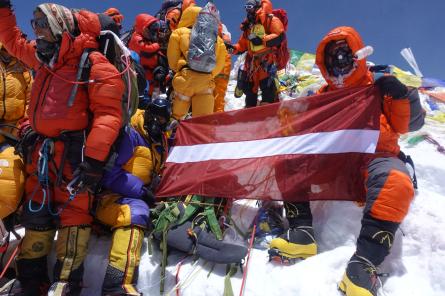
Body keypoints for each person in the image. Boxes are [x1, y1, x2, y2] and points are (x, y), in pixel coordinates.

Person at [269, 26, 425, 296]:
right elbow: (303, 132)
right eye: (333, 56)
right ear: (324, 61)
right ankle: (302, 232)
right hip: (337, 163)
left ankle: (364, 265)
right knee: (288, 160)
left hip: (376, 159)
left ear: (357, 55)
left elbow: (403, 126)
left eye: (344, 52)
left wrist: (399, 96)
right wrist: (289, 119)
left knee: (396, 184)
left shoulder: (378, 85)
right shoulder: (323, 95)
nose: (339, 60)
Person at [0, 1, 124, 294]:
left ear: (60, 26)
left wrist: (93, 161)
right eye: (35, 24)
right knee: (37, 215)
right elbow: (13, 42)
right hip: (40, 154)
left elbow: (108, 114)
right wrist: (4, 9)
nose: (37, 31)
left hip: (74, 154)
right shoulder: (46, 57)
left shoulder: (92, 61)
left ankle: (66, 283)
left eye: (43, 24)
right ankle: (31, 282)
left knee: (74, 216)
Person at [95, 98, 171, 296]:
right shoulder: (129, 135)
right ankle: (117, 286)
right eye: (153, 116)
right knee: (133, 213)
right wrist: (142, 191)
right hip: (109, 197)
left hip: (138, 196)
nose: (156, 122)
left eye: (162, 119)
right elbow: (109, 174)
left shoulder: (158, 142)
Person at [167, 5, 227, 119]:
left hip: (185, 80)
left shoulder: (179, 32)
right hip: (205, 82)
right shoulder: (216, 39)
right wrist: (208, 73)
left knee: (176, 118)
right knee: (202, 121)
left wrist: (178, 69)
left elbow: (172, 59)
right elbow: (220, 63)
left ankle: (173, 134)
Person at [228, 0, 284, 108]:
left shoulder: (270, 19)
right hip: (252, 64)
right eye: (246, 7)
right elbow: (242, 45)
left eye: (250, 6)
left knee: (268, 88)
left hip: (266, 60)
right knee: (249, 90)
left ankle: (267, 116)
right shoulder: (248, 27)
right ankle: (250, 115)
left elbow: (279, 35)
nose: (248, 10)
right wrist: (232, 48)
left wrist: (262, 40)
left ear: (258, 6)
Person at [0, 43, 32, 221]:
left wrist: (26, 123)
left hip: (12, 134)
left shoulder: (23, 67)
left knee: (9, 180)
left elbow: (30, 98)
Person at [129, 14, 171, 98]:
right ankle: (152, 99)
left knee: (159, 81)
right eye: (152, 28)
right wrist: (158, 44)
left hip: (153, 68)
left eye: (155, 28)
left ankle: (156, 98)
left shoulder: (148, 37)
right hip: (145, 69)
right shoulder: (136, 37)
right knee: (155, 82)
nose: (155, 31)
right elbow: (145, 49)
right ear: (144, 28)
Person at [213, 24, 232, 113]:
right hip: (222, 64)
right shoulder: (221, 27)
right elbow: (228, 41)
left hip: (217, 64)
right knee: (219, 95)